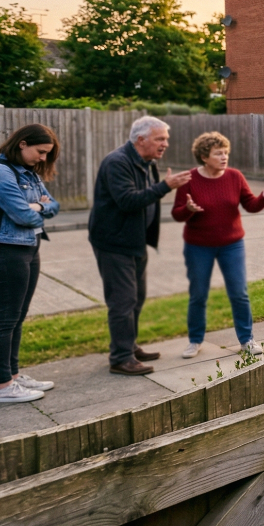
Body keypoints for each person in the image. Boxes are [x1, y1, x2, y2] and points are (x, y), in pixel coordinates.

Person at [90, 116, 192, 376]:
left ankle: (129, 346)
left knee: (136, 298)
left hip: (135, 241)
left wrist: (162, 187)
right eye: (160, 139)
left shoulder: (147, 163)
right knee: (122, 301)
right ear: (141, 139)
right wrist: (165, 187)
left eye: (166, 139)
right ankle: (120, 358)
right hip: (114, 242)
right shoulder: (117, 162)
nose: (165, 144)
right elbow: (127, 201)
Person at [172, 131, 264, 358]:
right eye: (218, 154)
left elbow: (250, 205)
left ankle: (247, 340)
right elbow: (177, 214)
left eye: (226, 153)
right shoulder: (189, 180)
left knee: (239, 293)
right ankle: (194, 340)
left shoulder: (234, 176)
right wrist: (188, 210)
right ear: (204, 156)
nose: (224, 158)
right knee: (198, 294)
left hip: (232, 245)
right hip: (198, 246)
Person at [0, 124, 61, 403]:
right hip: (6, 251)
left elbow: (53, 205)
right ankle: (2, 387)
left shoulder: (27, 173)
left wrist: (38, 207)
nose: (42, 159)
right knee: (5, 318)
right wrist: (37, 208)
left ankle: (13, 375)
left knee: (18, 316)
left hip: (29, 248)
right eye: (40, 152)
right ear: (22, 144)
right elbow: (22, 216)